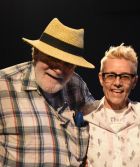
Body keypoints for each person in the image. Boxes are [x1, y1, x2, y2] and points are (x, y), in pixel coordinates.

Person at [0, 18, 95, 166]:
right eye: (53, 58)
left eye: (68, 64)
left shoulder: (77, 86)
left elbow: (101, 122)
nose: (58, 69)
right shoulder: (3, 85)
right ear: (36, 53)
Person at [83, 44, 140, 167]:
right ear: (101, 78)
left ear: (134, 81)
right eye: (111, 76)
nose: (117, 83)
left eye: (125, 77)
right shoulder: (86, 115)